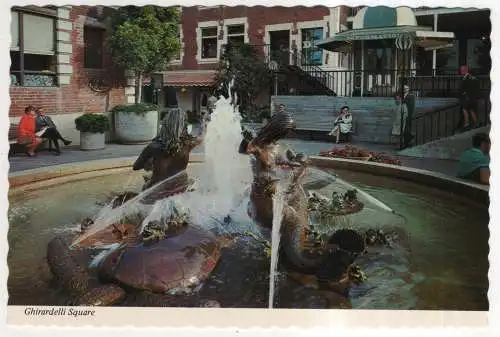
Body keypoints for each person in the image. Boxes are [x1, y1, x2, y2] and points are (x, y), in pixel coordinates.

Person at [458, 65, 480, 131]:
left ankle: (466, 124)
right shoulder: (470, 77)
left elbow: (470, 86)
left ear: (466, 70)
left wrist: (466, 93)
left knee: (465, 109)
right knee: (470, 109)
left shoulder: (468, 77)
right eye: (461, 70)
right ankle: (476, 123)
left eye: (462, 70)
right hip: (470, 97)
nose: (461, 71)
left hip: (468, 97)